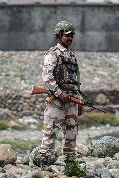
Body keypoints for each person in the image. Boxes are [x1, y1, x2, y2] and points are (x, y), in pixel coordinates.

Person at [38, 20, 83, 169]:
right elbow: (47, 77)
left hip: (72, 101)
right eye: (67, 35)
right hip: (57, 101)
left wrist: (79, 100)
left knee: (71, 135)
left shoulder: (72, 56)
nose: (70, 38)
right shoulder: (52, 54)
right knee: (50, 135)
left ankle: (70, 166)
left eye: (72, 36)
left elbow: (75, 81)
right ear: (59, 36)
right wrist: (59, 93)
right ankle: (44, 166)